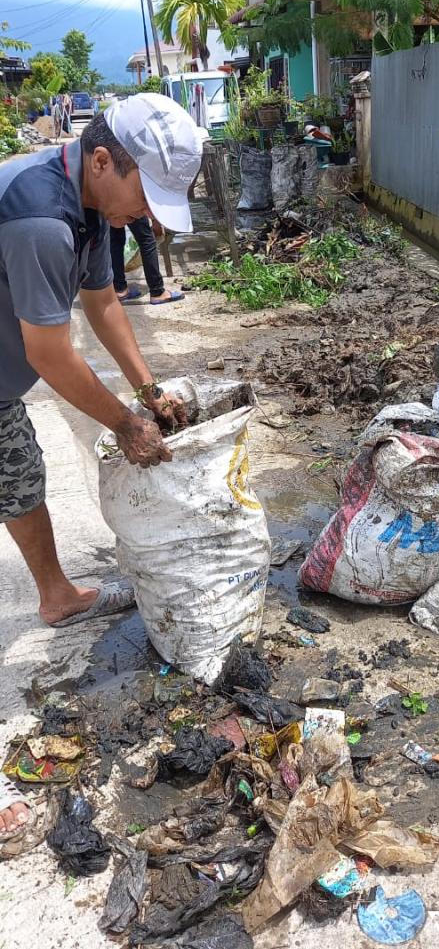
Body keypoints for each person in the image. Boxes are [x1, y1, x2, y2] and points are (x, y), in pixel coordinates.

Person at [0, 93, 202, 843]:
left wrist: (148, 392)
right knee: (14, 464)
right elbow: (53, 354)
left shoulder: (90, 211)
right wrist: (124, 424)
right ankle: (55, 591)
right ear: (100, 160)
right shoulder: (40, 219)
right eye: (147, 194)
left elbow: (104, 302)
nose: (149, 213)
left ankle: (54, 593)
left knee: (16, 470)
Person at [109, 216, 184, 305]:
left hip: (108, 204)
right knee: (146, 240)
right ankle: (157, 292)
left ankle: (120, 289)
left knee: (115, 240)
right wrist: (155, 220)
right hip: (130, 202)